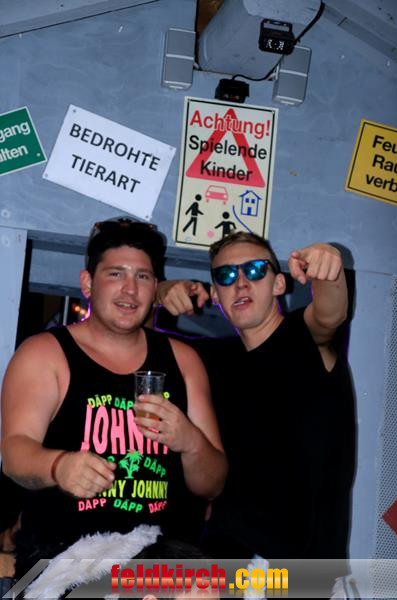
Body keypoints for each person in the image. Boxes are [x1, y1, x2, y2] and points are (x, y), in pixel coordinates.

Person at [1, 217, 227, 578]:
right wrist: (58, 466)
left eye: (143, 277)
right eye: (115, 274)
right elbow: (14, 453)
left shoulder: (183, 361)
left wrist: (191, 442)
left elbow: (213, 483)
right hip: (64, 569)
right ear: (87, 283)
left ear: (155, 287)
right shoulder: (45, 353)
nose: (130, 290)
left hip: (160, 573)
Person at [156, 232, 356, 569]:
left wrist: (328, 260)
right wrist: (159, 293)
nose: (241, 283)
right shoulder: (209, 360)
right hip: (223, 566)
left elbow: (329, 315)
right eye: (226, 275)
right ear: (216, 295)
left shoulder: (303, 337)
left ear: (279, 284)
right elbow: (137, 342)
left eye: (255, 270)